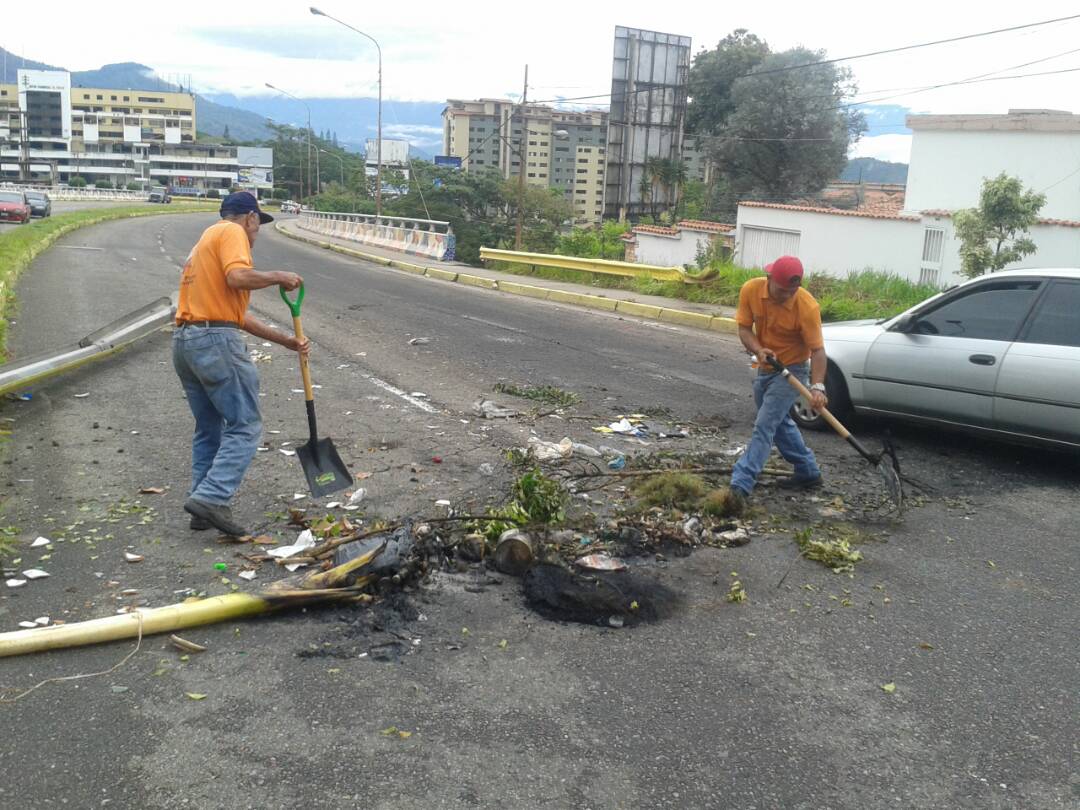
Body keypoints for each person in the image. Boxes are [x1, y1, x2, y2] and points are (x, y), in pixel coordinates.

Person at [173, 191, 309, 536]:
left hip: (187, 342)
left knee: (210, 427)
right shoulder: (232, 233)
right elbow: (237, 278)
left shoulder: (205, 241)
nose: (255, 233)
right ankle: (212, 497)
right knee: (245, 425)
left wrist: (286, 341)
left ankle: (200, 504)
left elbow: (238, 316)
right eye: (256, 226)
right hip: (215, 342)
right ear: (249, 217)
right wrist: (278, 275)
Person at [729, 255, 827, 508]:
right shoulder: (751, 290)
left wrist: (817, 387)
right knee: (779, 422)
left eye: (792, 291)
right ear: (769, 278)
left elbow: (818, 351)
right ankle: (808, 472)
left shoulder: (807, 307)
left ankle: (740, 484)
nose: (787, 296)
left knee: (764, 425)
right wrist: (759, 349)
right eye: (783, 290)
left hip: (792, 371)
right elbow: (743, 329)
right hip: (765, 367)